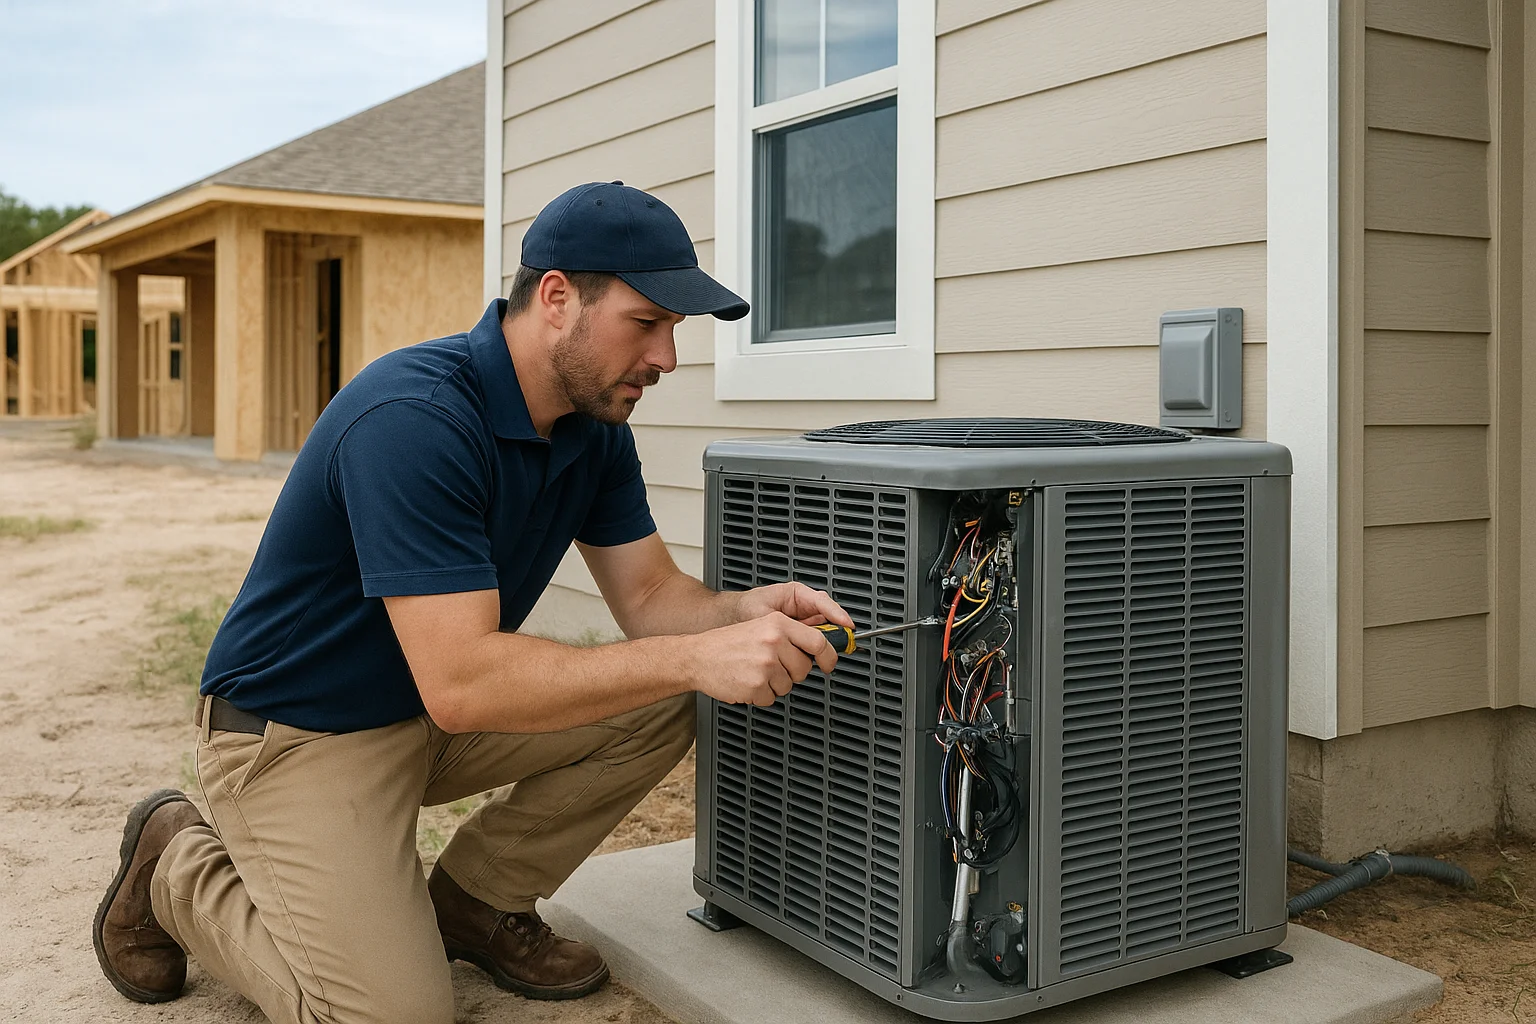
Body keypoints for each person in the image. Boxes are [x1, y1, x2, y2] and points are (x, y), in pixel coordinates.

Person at [92, 181, 852, 1024]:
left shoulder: (594, 429)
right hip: (299, 732)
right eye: (648, 322)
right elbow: (462, 680)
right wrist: (692, 655)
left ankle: (475, 901)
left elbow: (648, 596)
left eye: (673, 330)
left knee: (670, 694)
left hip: (428, 713)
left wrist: (736, 616)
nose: (666, 358)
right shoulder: (414, 418)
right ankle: (177, 865)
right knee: (390, 1015)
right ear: (557, 298)